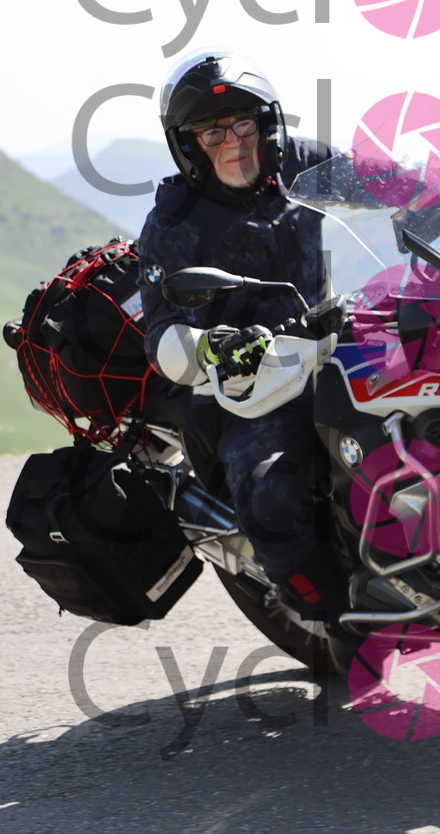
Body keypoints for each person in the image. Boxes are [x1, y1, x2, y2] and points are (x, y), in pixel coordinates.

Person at [137, 50, 347, 627]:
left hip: (340, 344)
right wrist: (212, 347)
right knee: (269, 496)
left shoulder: (305, 164)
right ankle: (332, 618)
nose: (234, 143)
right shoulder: (174, 223)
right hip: (254, 387)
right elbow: (160, 333)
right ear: (189, 146)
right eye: (212, 132)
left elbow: (392, 186)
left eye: (244, 125)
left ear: (268, 124)